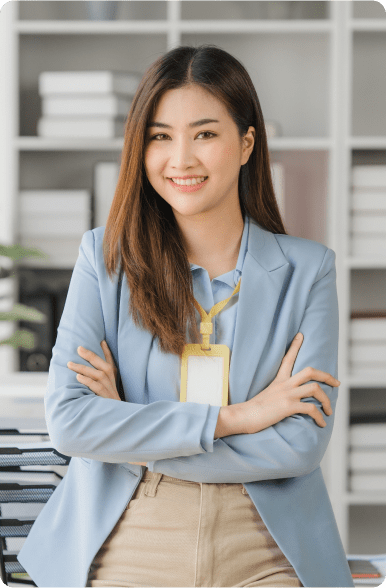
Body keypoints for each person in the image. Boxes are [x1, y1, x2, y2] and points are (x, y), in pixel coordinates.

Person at [17, 44, 355, 588]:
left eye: (204, 134)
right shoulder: (104, 258)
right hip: (128, 536)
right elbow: (71, 422)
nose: (181, 160)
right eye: (160, 136)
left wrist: (130, 432)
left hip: (266, 547)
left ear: (246, 143)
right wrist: (239, 417)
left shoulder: (309, 270)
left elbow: (298, 445)